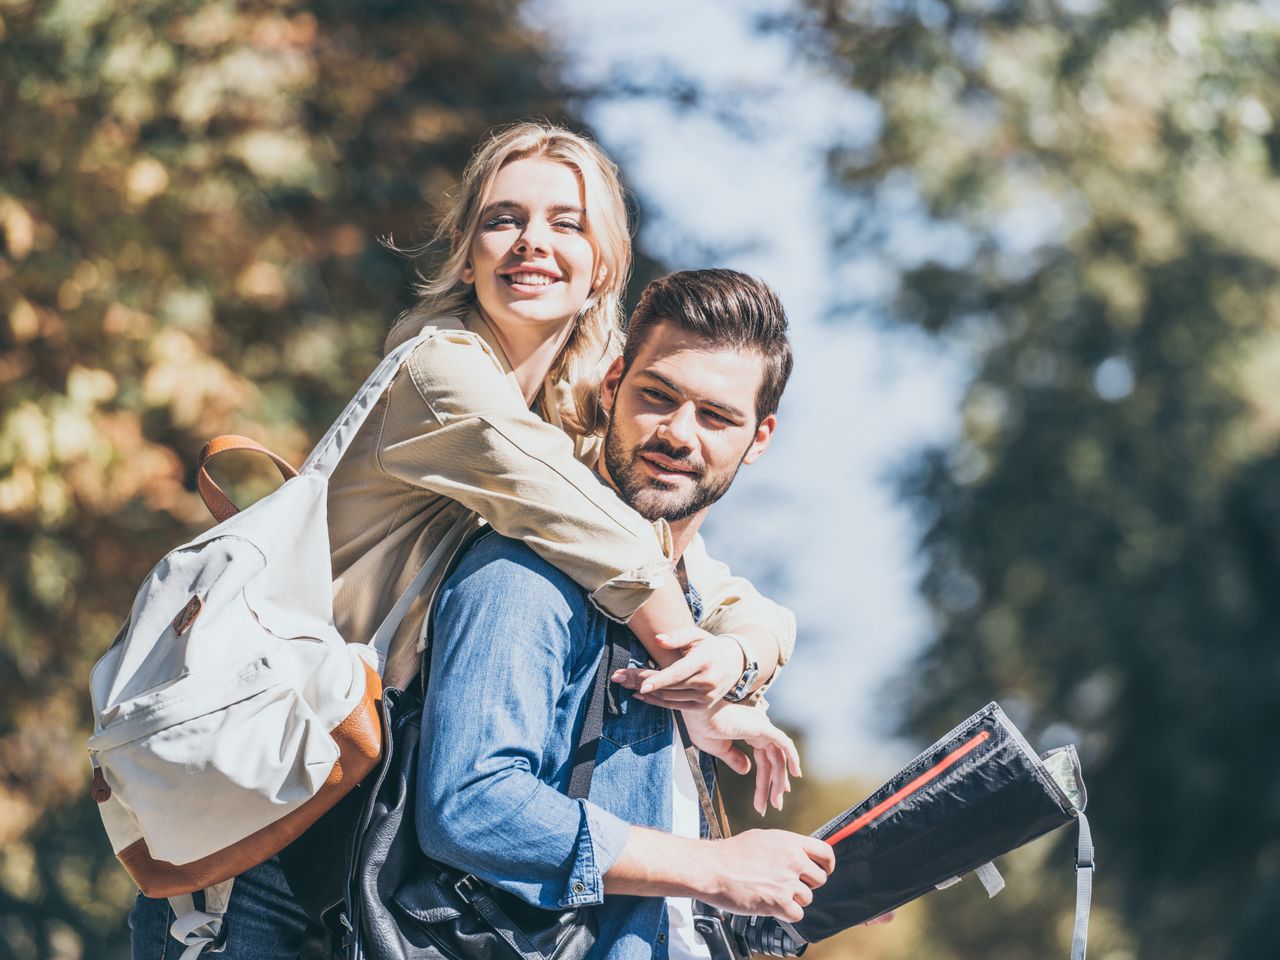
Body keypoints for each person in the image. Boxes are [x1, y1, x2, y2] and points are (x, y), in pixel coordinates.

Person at [129, 123, 797, 959]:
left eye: (567, 223)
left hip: (354, 822)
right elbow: (627, 554)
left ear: (605, 266)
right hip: (265, 812)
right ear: (464, 248)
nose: (533, 243)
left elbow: (711, 581)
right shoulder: (438, 374)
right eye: (503, 219)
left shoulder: (554, 421)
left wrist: (738, 662)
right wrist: (699, 683)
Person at [416, 269, 869, 960]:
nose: (679, 434)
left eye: (716, 417)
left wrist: (797, 891)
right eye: (657, 397)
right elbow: (470, 804)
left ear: (760, 438)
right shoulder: (526, 573)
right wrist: (715, 868)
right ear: (612, 385)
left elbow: (762, 621)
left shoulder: (685, 607)